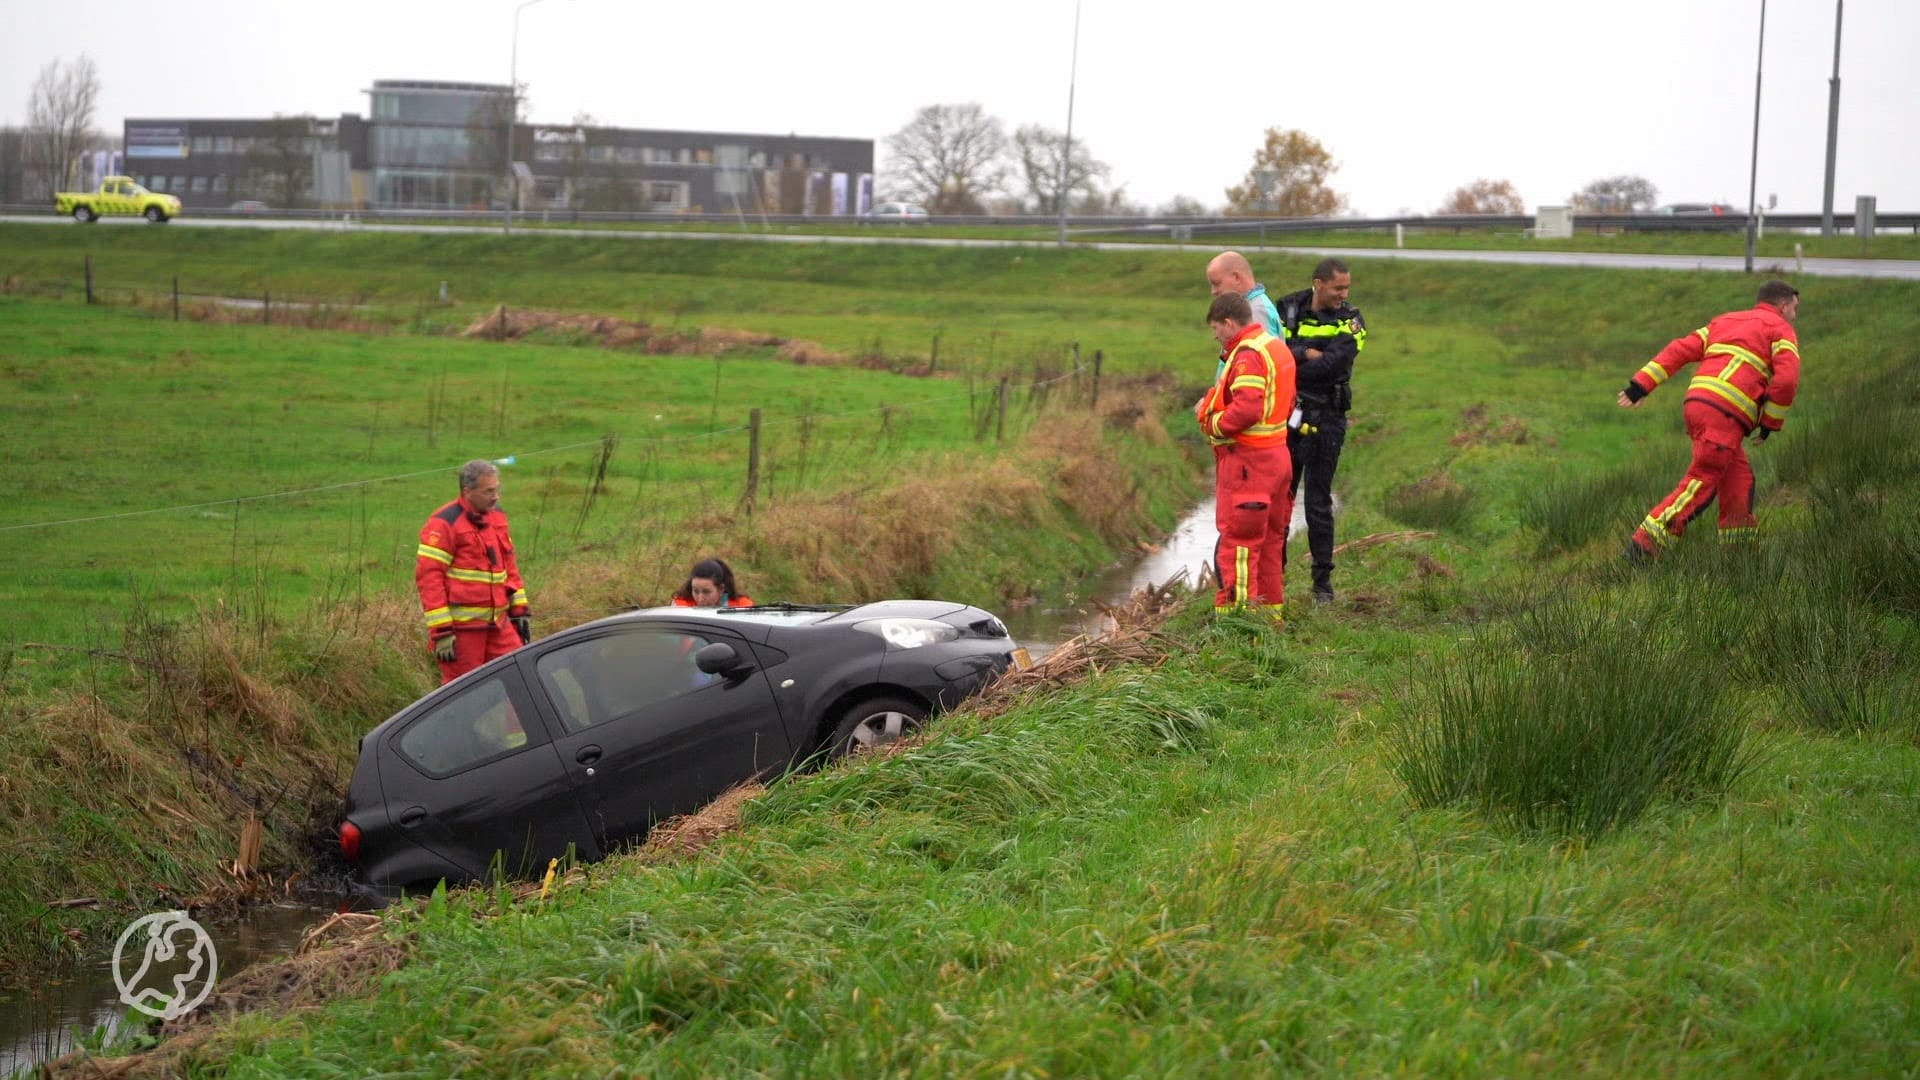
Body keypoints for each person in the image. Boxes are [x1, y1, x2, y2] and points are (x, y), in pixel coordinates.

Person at [1618, 280, 1801, 558]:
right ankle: (1641, 550)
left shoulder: (1725, 320)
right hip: (1725, 413)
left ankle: (1738, 557)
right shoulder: (1781, 331)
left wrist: (1641, 386)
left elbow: (1679, 350)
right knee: (1700, 483)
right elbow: (1787, 381)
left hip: (1697, 405)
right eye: (1795, 309)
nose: (1795, 316)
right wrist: (1770, 423)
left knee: (1738, 480)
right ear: (1784, 305)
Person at [1195, 292, 1296, 616]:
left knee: (1239, 545)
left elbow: (1248, 408)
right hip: (1278, 458)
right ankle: (1270, 616)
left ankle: (1237, 624)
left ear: (1227, 322)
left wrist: (1213, 424)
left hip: (1249, 464)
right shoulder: (1274, 346)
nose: (1215, 337)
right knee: (1269, 543)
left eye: (1215, 329)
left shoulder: (1247, 354)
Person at [1278, 257, 1366, 604]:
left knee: (1318, 500)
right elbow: (1273, 352)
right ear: (1318, 283)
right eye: (1337, 288)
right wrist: (1305, 353)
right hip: (1289, 414)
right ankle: (1274, 578)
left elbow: (1334, 366)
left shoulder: (1353, 320)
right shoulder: (1286, 308)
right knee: (1282, 497)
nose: (1344, 294)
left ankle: (1322, 586)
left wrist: (1298, 359)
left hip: (1328, 416)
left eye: (1347, 287)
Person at [416, 460, 531, 684]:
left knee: (521, 681)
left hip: (499, 625)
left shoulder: (497, 516)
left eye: (497, 489)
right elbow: (429, 579)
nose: (496, 496)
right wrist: (442, 631)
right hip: (462, 632)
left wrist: (519, 610)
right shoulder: (443, 524)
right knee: (465, 697)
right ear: (467, 491)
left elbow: (509, 566)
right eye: (489, 491)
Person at [1205, 250, 1283, 338]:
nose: (1213, 291)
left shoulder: (1257, 311)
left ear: (1236, 278)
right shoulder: (1245, 308)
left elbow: (1260, 351)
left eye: (1217, 283)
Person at [671, 557, 755, 607]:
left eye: (706, 592)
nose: (700, 599)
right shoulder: (680, 607)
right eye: (695, 591)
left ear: (721, 589)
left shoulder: (742, 607)